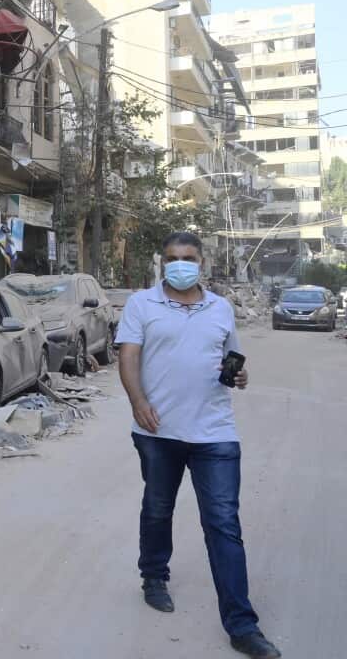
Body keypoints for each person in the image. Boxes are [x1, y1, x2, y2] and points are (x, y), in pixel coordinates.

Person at [115, 232, 280, 659]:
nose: (180, 265)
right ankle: (153, 576)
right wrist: (138, 402)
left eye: (188, 258)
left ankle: (242, 626)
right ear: (162, 262)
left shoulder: (221, 308)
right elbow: (128, 355)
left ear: (201, 262)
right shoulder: (141, 305)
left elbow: (232, 361)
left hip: (215, 432)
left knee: (224, 524)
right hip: (158, 431)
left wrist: (240, 377)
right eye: (172, 258)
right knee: (158, 507)